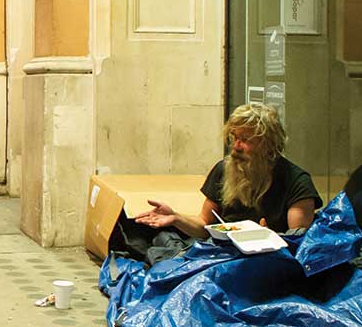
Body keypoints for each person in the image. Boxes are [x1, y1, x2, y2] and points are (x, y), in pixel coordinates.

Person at [136, 103, 321, 240]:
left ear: (268, 145)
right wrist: (176, 218)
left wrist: (267, 238)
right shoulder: (224, 169)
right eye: (234, 137)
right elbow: (204, 224)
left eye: (245, 139)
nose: (236, 147)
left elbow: (300, 244)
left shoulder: (297, 182)